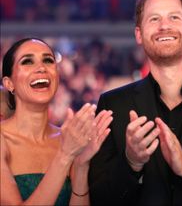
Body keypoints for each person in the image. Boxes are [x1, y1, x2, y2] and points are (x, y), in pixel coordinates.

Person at [89, 0, 182, 206]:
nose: (164, 26)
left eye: (174, 17)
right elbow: (98, 198)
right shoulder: (112, 104)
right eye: (154, 19)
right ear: (139, 34)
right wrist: (131, 162)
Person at [0, 37, 113, 206]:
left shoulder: (69, 139)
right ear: (9, 83)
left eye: (48, 60)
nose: (41, 68)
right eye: (27, 62)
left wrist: (81, 165)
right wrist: (65, 155)